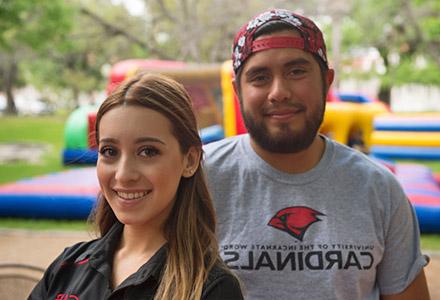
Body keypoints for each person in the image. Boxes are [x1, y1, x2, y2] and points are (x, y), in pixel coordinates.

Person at [203, 8, 430, 300]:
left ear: (327, 81)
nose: (279, 92)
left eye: (296, 71)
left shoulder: (379, 189)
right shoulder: (198, 180)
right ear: (238, 91)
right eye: (259, 77)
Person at [29, 73, 243, 300]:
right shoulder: (67, 266)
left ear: (189, 161)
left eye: (148, 151)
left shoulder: (211, 289)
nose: (123, 175)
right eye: (109, 151)